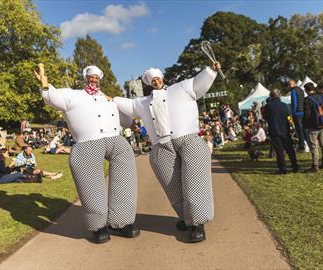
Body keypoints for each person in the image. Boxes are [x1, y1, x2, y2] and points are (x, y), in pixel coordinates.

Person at [113, 61, 221, 242]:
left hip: (189, 141)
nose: (156, 82)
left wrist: (210, 70)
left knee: (196, 183)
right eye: (152, 80)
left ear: (162, 78)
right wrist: (112, 99)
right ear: (149, 83)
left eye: (158, 78)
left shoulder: (182, 87)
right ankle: (189, 219)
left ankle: (198, 225)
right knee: (174, 188)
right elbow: (129, 105)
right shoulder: (143, 102)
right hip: (161, 147)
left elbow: (198, 84)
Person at [35, 63, 139, 244]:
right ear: (86, 78)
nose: (93, 79)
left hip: (116, 140)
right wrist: (45, 84)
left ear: (100, 79)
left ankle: (121, 221)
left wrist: (122, 107)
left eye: (96, 77)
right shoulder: (73, 95)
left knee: (126, 179)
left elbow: (127, 119)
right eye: (91, 77)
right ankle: (98, 226)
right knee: (91, 185)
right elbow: (53, 98)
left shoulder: (109, 99)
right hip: (87, 144)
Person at [263, 89, 300, 174]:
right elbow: (289, 116)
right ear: (279, 95)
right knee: (290, 149)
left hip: (274, 129)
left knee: (279, 150)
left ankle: (283, 168)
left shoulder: (268, 106)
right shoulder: (285, 105)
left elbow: (265, 117)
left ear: (271, 96)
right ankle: (295, 166)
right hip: (285, 129)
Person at [303, 83, 323, 172]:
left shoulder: (307, 100)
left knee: (314, 146)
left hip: (313, 126)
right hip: (322, 123)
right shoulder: (320, 97)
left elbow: (307, 115)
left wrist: (305, 124)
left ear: (306, 90)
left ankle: (315, 165)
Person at [289, 79, 308, 152]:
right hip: (303, 111)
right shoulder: (301, 90)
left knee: (299, 130)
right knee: (304, 129)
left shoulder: (293, 91)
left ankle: (302, 146)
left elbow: (294, 103)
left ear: (294, 84)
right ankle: (307, 144)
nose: (289, 86)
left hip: (297, 112)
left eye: (289, 84)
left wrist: (292, 112)